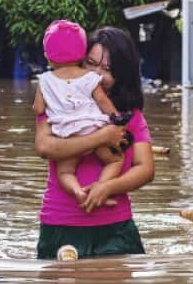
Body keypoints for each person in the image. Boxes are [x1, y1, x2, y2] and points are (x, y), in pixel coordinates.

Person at [34, 27, 155, 259]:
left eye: (107, 69)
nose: (97, 75)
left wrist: (107, 187)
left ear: (123, 74)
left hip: (116, 227)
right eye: (91, 64)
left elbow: (146, 169)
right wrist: (101, 137)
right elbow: (44, 147)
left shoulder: (129, 114)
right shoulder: (56, 105)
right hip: (60, 224)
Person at [32, 20, 129, 204]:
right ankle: (100, 189)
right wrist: (118, 119)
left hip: (67, 134)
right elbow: (102, 101)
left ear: (47, 57)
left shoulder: (44, 80)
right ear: (82, 55)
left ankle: (79, 192)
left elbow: (38, 108)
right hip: (94, 127)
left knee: (65, 172)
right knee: (115, 160)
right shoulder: (91, 78)